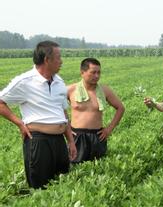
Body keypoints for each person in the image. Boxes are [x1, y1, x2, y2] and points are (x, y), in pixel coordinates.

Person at [0, 41, 77, 189]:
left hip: (59, 141)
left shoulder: (59, 81)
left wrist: (71, 141)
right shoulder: (24, 81)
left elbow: (63, 112)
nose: (62, 61)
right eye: (58, 57)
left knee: (62, 184)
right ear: (47, 60)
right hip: (39, 141)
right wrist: (19, 123)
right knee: (40, 186)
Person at [67, 58, 125, 163]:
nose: (97, 76)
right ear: (82, 73)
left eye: (99, 72)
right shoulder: (70, 90)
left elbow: (120, 108)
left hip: (97, 136)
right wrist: (66, 128)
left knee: (98, 168)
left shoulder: (104, 90)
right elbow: (57, 107)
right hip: (76, 136)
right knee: (74, 168)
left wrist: (109, 129)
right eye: (93, 72)